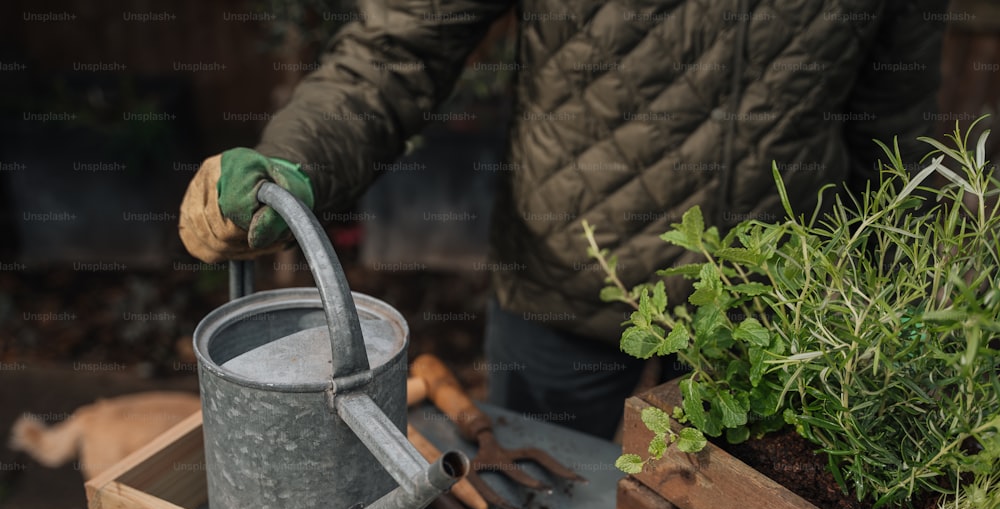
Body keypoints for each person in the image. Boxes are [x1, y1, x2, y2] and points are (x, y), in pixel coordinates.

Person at [179, 0, 946, 440]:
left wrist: (911, 321)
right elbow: (395, 50)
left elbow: (895, 125)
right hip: (566, 287)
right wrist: (294, 165)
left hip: (777, 320)